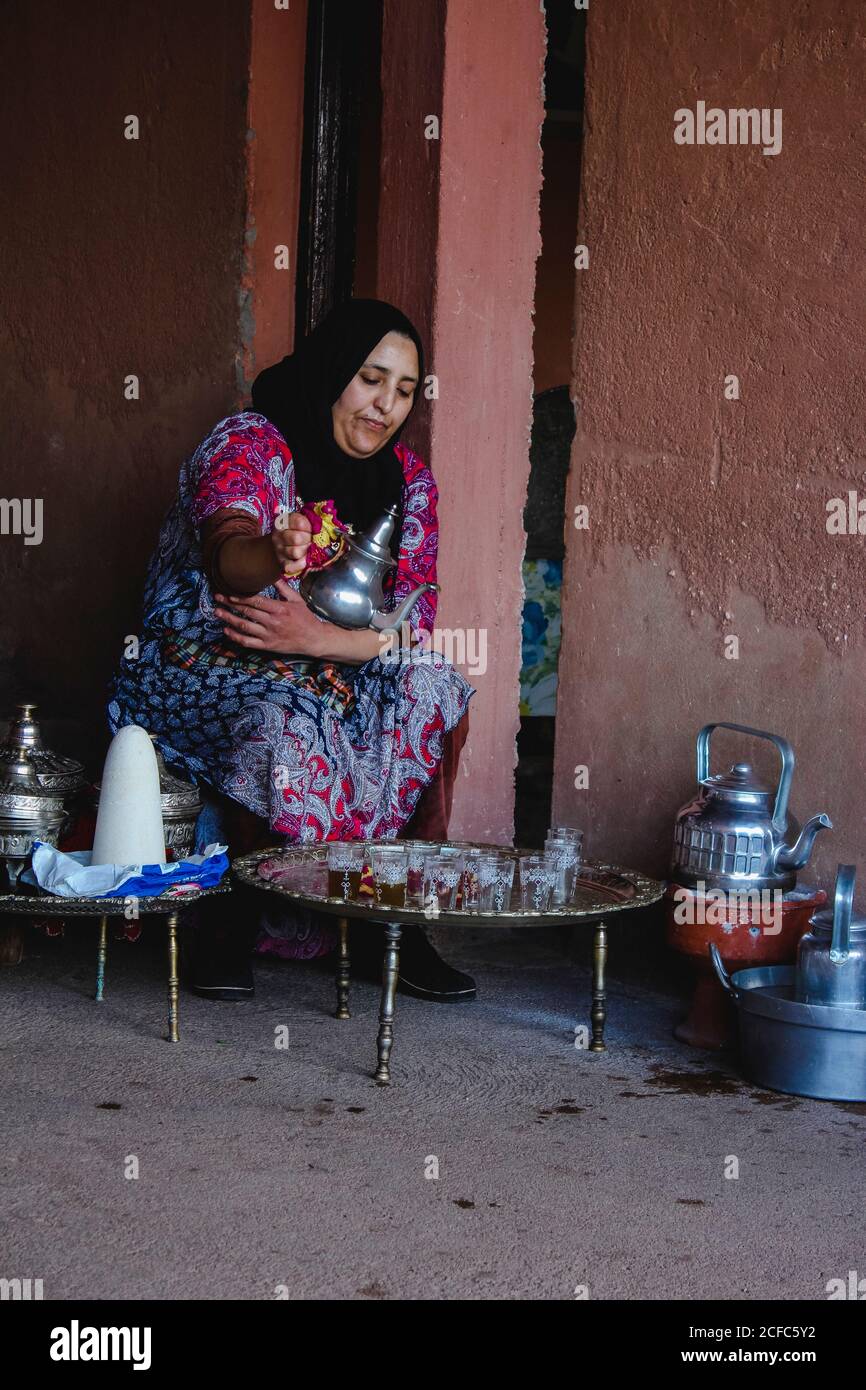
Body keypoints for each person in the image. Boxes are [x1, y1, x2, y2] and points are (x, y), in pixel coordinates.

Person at [108, 298, 476, 1002]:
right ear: (333, 370)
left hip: (328, 657)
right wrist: (271, 550)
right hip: (200, 658)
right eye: (371, 379)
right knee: (287, 713)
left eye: (404, 390)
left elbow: (414, 618)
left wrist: (323, 641)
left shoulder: (409, 483)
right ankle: (231, 920)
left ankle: (391, 923)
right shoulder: (251, 442)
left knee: (437, 687)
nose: (386, 405)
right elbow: (227, 556)